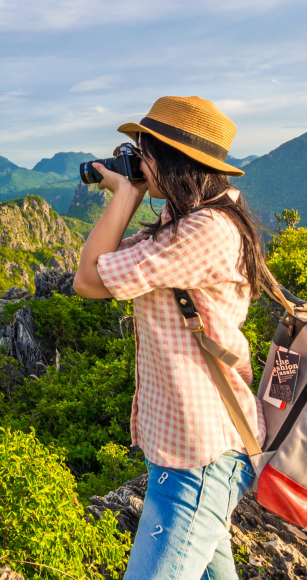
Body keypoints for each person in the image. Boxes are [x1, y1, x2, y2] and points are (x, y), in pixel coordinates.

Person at [72, 95, 272, 580]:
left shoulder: (205, 230)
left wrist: (125, 193)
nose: (137, 160)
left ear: (171, 159)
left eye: (143, 151)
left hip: (199, 459)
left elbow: (88, 280)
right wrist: (135, 191)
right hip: (190, 453)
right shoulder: (188, 218)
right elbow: (105, 263)